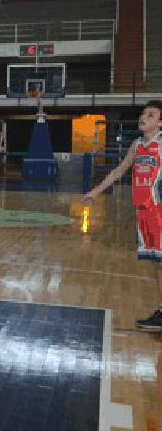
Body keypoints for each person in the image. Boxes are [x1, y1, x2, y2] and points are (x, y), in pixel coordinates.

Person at [84, 100, 162, 331]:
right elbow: (118, 171)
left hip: (159, 211)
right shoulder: (138, 146)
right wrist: (94, 192)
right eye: (143, 114)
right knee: (157, 266)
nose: (143, 117)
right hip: (145, 213)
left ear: (160, 123)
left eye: (150, 115)